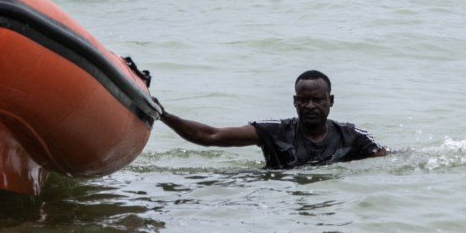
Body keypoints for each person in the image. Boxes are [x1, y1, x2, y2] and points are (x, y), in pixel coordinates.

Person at [158, 72, 388, 168]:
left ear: (331, 101)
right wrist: (163, 115)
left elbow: (387, 161)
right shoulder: (275, 131)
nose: (310, 106)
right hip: (276, 193)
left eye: (317, 100)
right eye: (303, 100)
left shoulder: (352, 136)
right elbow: (211, 136)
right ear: (295, 102)